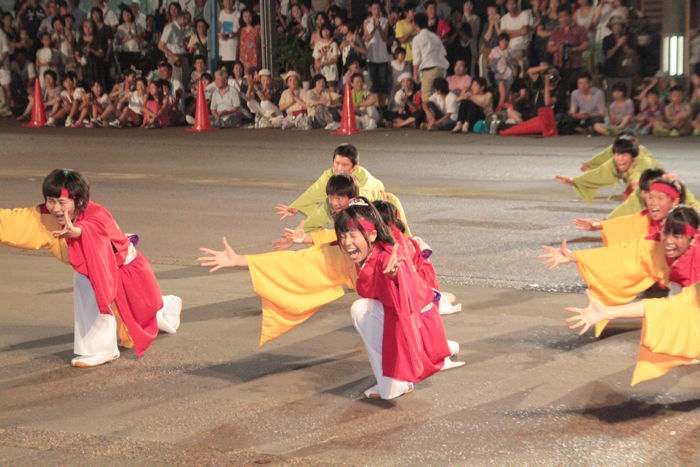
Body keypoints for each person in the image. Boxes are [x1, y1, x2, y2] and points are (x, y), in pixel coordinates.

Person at [197, 199, 463, 400]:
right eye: (342, 235)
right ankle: (407, 370)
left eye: (352, 234)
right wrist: (239, 261)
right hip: (401, 318)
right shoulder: (347, 255)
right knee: (362, 310)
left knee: (361, 310)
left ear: (371, 234)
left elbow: (413, 288)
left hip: (418, 324)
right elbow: (296, 263)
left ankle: (406, 372)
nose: (346, 242)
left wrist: (395, 274)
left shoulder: (392, 253)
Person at [0, 169, 182, 368]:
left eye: (62, 202)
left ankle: (160, 308)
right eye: (50, 200)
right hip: (100, 277)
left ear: (78, 201)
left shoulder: (97, 215)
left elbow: (92, 231)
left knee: (143, 311)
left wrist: (76, 232)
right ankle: (103, 346)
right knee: (89, 282)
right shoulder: (44, 217)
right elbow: (11, 221)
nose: (55, 208)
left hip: (126, 275)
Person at [275, 144, 385, 227]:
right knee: (313, 224)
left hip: (376, 207)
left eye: (345, 165)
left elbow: (365, 197)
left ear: (354, 167)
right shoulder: (330, 175)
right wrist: (296, 206)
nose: (339, 168)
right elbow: (314, 191)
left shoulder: (362, 176)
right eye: (337, 163)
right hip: (350, 208)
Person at [555, 135, 660, 206]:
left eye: (623, 155)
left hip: (655, 185)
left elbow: (639, 175)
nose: (619, 159)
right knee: (629, 200)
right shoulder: (614, 159)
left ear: (633, 156)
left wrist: (637, 184)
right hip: (636, 185)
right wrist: (574, 180)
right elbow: (600, 173)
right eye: (617, 154)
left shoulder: (645, 162)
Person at [412, 12, 449, 118]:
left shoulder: (417, 38)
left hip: (429, 69)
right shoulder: (435, 36)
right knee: (440, 95)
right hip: (441, 68)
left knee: (426, 99)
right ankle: (443, 118)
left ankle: (433, 121)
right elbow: (444, 52)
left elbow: (416, 59)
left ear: (415, 24)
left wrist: (415, 74)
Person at [363, 1, 391, 105]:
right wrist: (374, 27)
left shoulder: (385, 21)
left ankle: (383, 107)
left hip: (383, 57)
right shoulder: (367, 22)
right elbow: (366, 38)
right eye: (374, 9)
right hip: (371, 57)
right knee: (373, 83)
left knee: (383, 84)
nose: (376, 11)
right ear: (371, 9)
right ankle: (375, 105)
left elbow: (384, 38)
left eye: (378, 9)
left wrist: (379, 27)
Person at [159, 10, 189, 87]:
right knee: (177, 81)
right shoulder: (170, 27)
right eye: (187, 19)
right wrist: (173, 56)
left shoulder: (182, 29)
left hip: (183, 56)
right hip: (174, 56)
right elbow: (161, 45)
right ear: (182, 18)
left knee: (185, 80)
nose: (188, 22)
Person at [488, 33, 515, 108]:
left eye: (506, 41)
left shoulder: (509, 51)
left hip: (508, 74)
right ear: (499, 41)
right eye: (502, 41)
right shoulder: (494, 50)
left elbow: (512, 64)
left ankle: (505, 111)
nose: (504, 43)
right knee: (503, 94)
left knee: (507, 95)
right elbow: (489, 63)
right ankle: (498, 111)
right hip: (498, 75)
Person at [217, 0, 240, 72]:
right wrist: (219, 35)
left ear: (233, 2)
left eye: (230, 1)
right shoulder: (220, 14)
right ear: (223, 2)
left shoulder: (238, 14)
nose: (228, 2)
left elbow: (241, 30)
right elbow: (216, 29)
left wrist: (233, 34)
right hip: (222, 52)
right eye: (226, 1)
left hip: (234, 51)